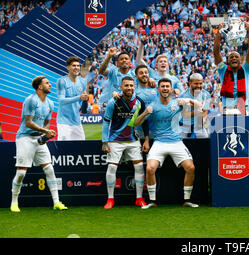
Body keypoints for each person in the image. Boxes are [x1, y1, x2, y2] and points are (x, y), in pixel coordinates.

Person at [134, 78, 202, 208]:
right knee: (149, 168)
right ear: (158, 89)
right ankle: (152, 201)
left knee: (191, 168)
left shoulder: (178, 102)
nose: (165, 88)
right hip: (159, 142)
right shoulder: (153, 106)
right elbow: (136, 123)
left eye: (167, 86)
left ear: (171, 89)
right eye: (162, 86)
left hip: (176, 142)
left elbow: (199, 106)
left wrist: (189, 101)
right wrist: (144, 113)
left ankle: (187, 200)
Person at [10, 76, 68, 212]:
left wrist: (45, 135)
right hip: (25, 138)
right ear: (40, 87)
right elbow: (29, 122)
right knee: (21, 174)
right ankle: (14, 202)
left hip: (38, 140)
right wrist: (45, 131)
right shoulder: (30, 100)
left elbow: (47, 123)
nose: (50, 85)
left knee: (49, 169)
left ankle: (57, 202)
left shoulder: (50, 103)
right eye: (47, 83)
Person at [101, 76, 150, 209]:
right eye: (126, 85)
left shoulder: (139, 102)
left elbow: (144, 121)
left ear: (134, 87)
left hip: (133, 140)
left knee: (139, 167)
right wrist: (105, 141)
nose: (129, 88)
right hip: (115, 140)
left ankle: (139, 198)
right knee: (112, 167)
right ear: (121, 87)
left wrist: (146, 139)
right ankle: (110, 199)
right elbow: (106, 122)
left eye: (131, 85)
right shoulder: (114, 101)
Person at [213, 19, 249, 115]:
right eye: (231, 57)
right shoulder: (223, 69)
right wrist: (219, 33)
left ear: (240, 60)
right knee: (227, 130)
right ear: (227, 61)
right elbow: (216, 53)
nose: (234, 58)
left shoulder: (246, 69)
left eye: (236, 57)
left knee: (244, 130)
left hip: (244, 108)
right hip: (227, 109)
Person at [56, 56, 89, 140]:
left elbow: (82, 106)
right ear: (68, 67)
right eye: (74, 65)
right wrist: (79, 97)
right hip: (64, 122)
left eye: (78, 66)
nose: (76, 68)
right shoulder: (62, 81)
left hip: (77, 121)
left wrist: (85, 101)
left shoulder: (82, 81)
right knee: (63, 149)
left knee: (81, 148)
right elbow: (61, 101)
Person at [179, 73, 211, 139]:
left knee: (205, 143)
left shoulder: (206, 95)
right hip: (185, 126)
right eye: (196, 83)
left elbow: (205, 111)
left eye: (201, 83)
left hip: (199, 125)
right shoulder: (183, 96)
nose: (199, 86)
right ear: (190, 83)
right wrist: (197, 111)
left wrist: (203, 119)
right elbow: (185, 114)